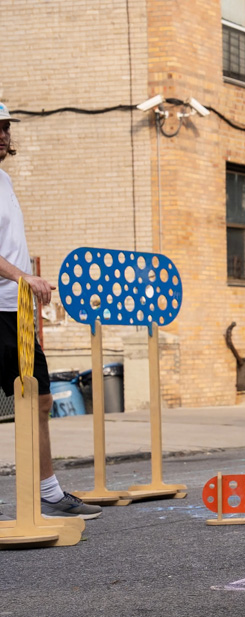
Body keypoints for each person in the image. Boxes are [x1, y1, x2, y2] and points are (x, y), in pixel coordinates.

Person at [0, 102, 102, 520]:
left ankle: (50, 493)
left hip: (16, 310)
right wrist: (24, 277)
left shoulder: (4, 179)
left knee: (39, 401)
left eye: (6, 127)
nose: (4, 134)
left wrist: (25, 286)